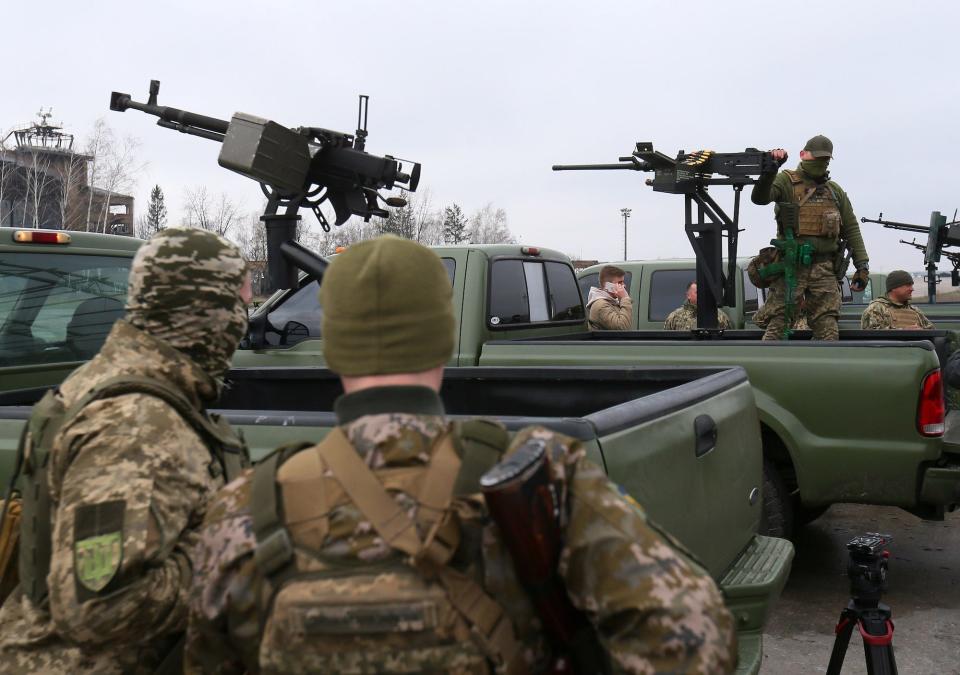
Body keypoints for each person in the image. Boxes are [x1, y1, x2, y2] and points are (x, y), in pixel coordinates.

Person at [185, 236, 737, 674]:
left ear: (333, 347)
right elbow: (700, 637)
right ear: (443, 334)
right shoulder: (541, 477)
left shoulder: (243, 510)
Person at [0, 228, 251, 674]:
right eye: (240, 305)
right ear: (206, 313)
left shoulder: (115, 379)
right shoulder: (135, 426)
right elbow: (99, 606)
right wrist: (229, 557)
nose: (243, 320)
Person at [751, 135, 870, 340]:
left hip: (824, 268)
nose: (820, 163)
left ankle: (825, 370)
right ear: (803, 155)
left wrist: (862, 266)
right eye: (816, 158)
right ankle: (769, 367)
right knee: (778, 324)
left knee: (828, 328)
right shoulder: (786, 181)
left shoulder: (834, 191)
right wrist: (771, 169)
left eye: (824, 159)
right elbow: (760, 198)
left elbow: (851, 228)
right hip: (791, 267)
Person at [861, 270, 934, 329]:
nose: (912, 289)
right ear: (894, 288)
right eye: (908, 285)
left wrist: (921, 331)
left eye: (912, 285)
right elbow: (872, 336)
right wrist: (904, 332)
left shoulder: (915, 311)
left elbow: (932, 331)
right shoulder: (876, 309)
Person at [663, 281, 732, 330]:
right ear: (688, 295)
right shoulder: (675, 317)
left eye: (703, 292)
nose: (701, 295)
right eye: (697, 292)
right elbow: (666, 341)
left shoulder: (719, 316)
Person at [586, 264, 633, 329]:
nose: (624, 285)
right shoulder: (601, 306)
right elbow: (622, 327)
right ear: (608, 285)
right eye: (620, 282)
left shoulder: (612, 302)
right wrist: (624, 298)